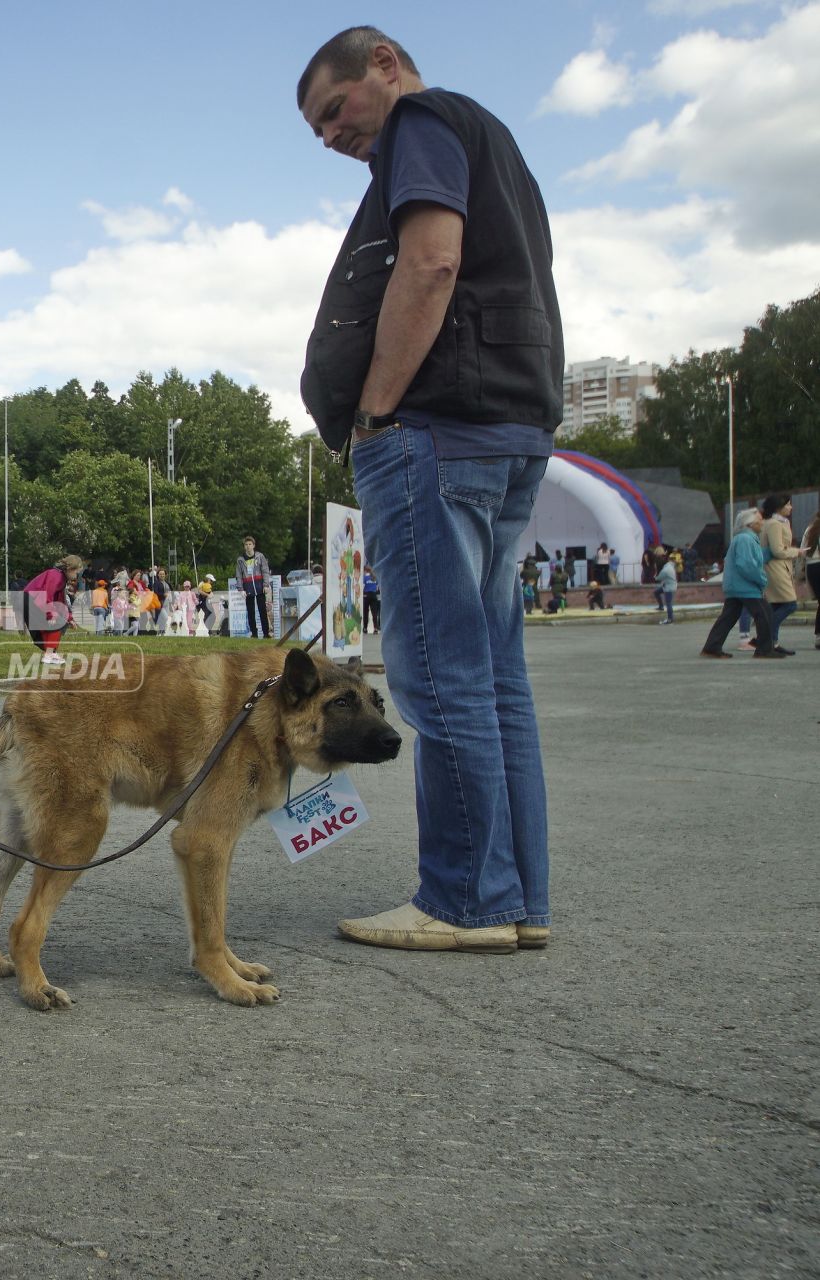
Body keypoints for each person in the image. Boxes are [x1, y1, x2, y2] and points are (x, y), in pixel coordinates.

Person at [297, 26, 562, 952]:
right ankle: (517, 899)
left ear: (383, 64)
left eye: (335, 110)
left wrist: (374, 411)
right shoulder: (496, 144)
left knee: (438, 677)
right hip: (510, 425)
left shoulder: (421, 122)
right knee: (494, 681)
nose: (332, 136)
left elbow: (432, 261)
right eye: (318, 132)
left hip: (436, 430)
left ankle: (463, 902)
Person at [700, 509, 780, 659]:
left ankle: (712, 647)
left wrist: (774, 551)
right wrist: (762, 579)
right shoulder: (746, 539)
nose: (762, 523)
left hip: (736, 586)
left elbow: (756, 557)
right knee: (764, 612)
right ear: (749, 524)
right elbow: (747, 564)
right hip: (745, 587)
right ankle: (764, 649)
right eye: (759, 521)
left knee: (729, 617)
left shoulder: (745, 539)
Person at [758, 494, 800, 657]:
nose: (791, 507)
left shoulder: (772, 522)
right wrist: (797, 552)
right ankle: (767, 639)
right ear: (778, 507)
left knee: (775, 605)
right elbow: (778, 550)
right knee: (790, 604)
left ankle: (771, 642)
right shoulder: (775, 524)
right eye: (788, 505)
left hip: (774, 567)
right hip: (777, 568)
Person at [22, 555, 82, 665]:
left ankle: (51, 654)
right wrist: (50, 614)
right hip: (32, 599)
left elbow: (60, 602)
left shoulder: (61, 578)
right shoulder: (56, 575)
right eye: (76, 572)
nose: (76, 576)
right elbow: (47, 594)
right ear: (70, 568)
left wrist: (70, 618)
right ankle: (49, 655)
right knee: (57, 622)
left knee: (54, 624)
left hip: (32, 599)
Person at [235, 536, 272, 638]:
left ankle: (266, 633)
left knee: (262, 611)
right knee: (250, 612)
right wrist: (241, 589)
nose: (248, 546)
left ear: (254, 545)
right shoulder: (240, 560)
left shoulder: (260, 556)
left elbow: (265, 570)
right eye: (246, 545)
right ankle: (254, 633)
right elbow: (238, 575)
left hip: (260, 587)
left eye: (250, 544)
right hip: (248, 588)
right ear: (244, 546)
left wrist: (266, 585)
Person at [803, 512, 820, 650]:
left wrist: (799, 574)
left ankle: (819, 636)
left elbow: (803, 552)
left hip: (812, 567)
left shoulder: (810, 529)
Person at [654, 551, 677, 625]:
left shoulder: (665, 570)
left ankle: (670, 619)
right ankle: (661, 606)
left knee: (668, 603)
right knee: (656, 592)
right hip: (668, 586)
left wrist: (655, 575)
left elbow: (658, 578)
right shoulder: (669, 565)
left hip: (668, 588)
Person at [362, 562, 381, 633]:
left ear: (365, 570)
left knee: (365, 612)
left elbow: (363, 587)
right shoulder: (374, 578)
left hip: (366, 595)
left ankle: (365, 628)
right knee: (374, 612)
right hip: (373, 596)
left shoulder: (364, 578)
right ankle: (375, 628)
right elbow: (377, 588)